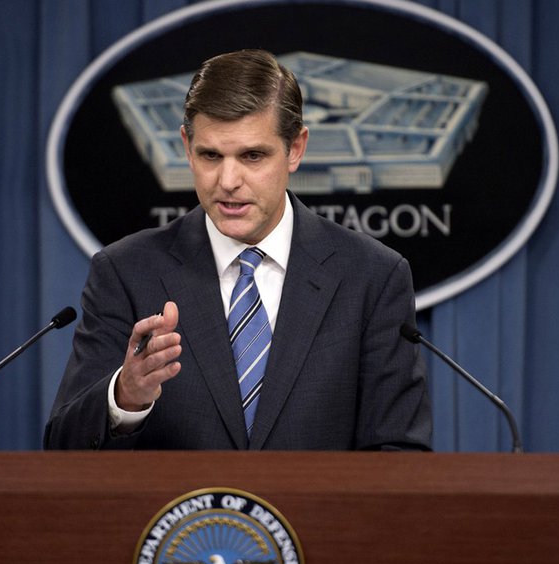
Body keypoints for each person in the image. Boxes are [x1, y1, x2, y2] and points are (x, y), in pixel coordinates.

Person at [44, 49, 431, 450]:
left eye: (252, 156)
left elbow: (399, 454)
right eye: (210, 155)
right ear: (185, 146)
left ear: (295, 149)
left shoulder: (371, 277)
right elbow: (63, 449)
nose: (228, 180)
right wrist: (125, 397)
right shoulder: (126, 272)